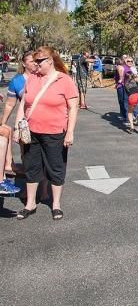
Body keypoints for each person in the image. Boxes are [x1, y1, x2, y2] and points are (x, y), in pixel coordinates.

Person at [13, 46, 78, 220]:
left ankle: (55, 204)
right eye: (34, 61)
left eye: (39, 61)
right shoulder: (32, 79)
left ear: (50, 61)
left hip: (55, 132)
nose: (35, 64)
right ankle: (30, 203)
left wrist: (70, 132)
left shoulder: (64, 80)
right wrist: (17, 127)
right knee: (31, 167)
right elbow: (23, 105)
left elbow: (73, 108)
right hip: (31, 132)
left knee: (55, 168)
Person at [0, 51, 37, 194]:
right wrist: (3, 121)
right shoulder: (17, 81)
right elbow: (10, 104)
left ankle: (44, 190)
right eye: (31, 61)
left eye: (36, 60)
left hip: (44, 123)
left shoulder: (44, 78)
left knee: (43, 157)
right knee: (26, 156)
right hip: (25, 125)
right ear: (24, 63)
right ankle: (29, 192)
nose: (35, 63)